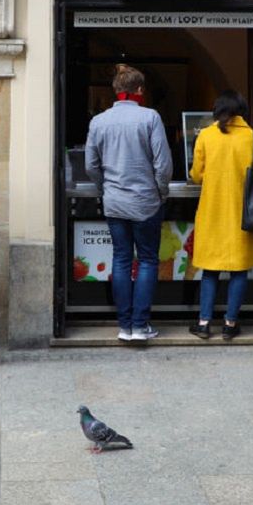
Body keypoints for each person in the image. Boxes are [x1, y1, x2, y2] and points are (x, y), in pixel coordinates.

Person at [85, 64, 173, 342]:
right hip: (146, 200)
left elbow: (90, 165)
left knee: (121, 259)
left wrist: (104, 188)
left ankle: (124, 325)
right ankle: (140, 325)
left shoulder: (99, 121)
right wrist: (161, 192)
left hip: (114, 201)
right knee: (147, 260)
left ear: (116, 90)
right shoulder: (150, 117)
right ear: (140, 90)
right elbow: (163, 164)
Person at [187, 90, 253, 340]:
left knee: (210, 270)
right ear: (242, 112)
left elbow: (195, 174)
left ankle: (204, 323)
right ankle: (229, 324)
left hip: (212, 212)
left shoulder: (205, 136)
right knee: (238, 271)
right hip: (242, 215)